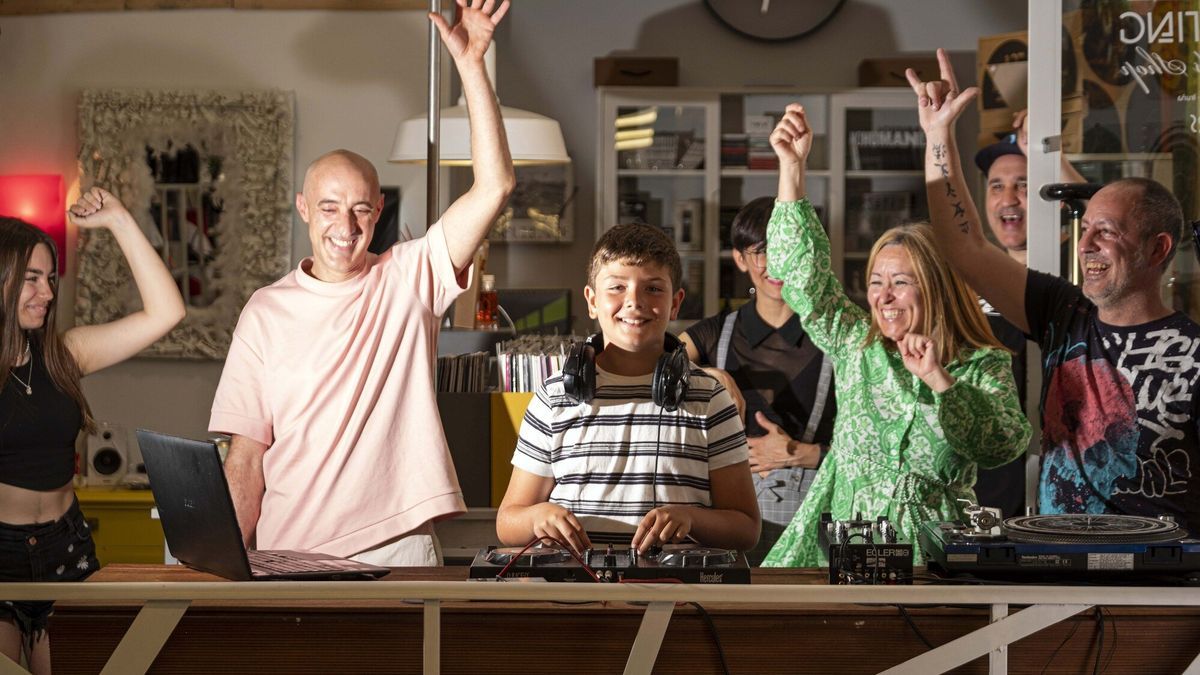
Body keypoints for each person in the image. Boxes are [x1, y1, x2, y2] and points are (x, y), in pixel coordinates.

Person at [209, 0, 515, 567]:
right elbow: (246, 456)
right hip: (286, 551)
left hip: (395, 546)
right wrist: (227, 565)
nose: (344, 227)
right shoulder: (265, 310)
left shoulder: (410, 275)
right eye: (328, 208)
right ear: (303, 209)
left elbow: (494, 185)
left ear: (378, 210)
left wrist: (472, 67)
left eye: (359, 210)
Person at [907, 50, 1200, 530]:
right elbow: (965, 248)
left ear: (1157, 249)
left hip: (1158, 587)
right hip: (1057, 574)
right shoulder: (1064, 313)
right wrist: (938, 136)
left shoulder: (1194, 355)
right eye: (1084, 229)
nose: (1086, 243)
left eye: (1106, 231)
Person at [760, 104, 1031, 567]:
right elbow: (802, 278)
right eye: (876, 282)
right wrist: (791, 167)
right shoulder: (856, 344)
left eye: (900, 282)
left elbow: (1001, 444)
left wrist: (940, 380)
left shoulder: (983, 362)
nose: (883, 297)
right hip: (845, 546)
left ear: (937, 288)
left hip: (937, 556)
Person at [1, 188, 185, 673]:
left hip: (68, 546)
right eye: (31, 279)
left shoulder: (65, 355)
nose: (47, 293)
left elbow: (167, 313)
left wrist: (121, 219)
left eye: (50, 279)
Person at [496, 222, 760, 555]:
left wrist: (691, 518)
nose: (634, 302)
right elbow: (508, 522)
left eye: (653, 289)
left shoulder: (709, 398)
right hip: (576, 595)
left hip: (674, 594)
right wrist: (538, 517)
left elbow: (746, 529)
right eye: (617, 287)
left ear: (675, 303)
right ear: (592, 300)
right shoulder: (554, 397)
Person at [681, 196, 836, 565]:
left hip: (817, 517)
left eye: (786, 248)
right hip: (730, 518)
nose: (776, 262)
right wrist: (712, 373)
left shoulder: (836, 335)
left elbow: (879, 440)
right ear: (740, 258)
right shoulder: (714, 334)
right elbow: (648, 364)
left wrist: (807, 454)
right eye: (762, 250)